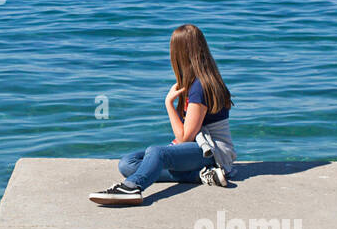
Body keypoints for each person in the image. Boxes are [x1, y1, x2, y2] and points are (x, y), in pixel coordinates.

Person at [90, 24, 237, 206]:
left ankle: (132, 188)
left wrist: (168, 104)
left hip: (213, 152)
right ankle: (202, 176)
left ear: (180, 53)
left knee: (156, 153)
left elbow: (184, 138)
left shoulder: (200, 87)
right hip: (199, 150)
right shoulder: (192, 83)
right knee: (128, 163)